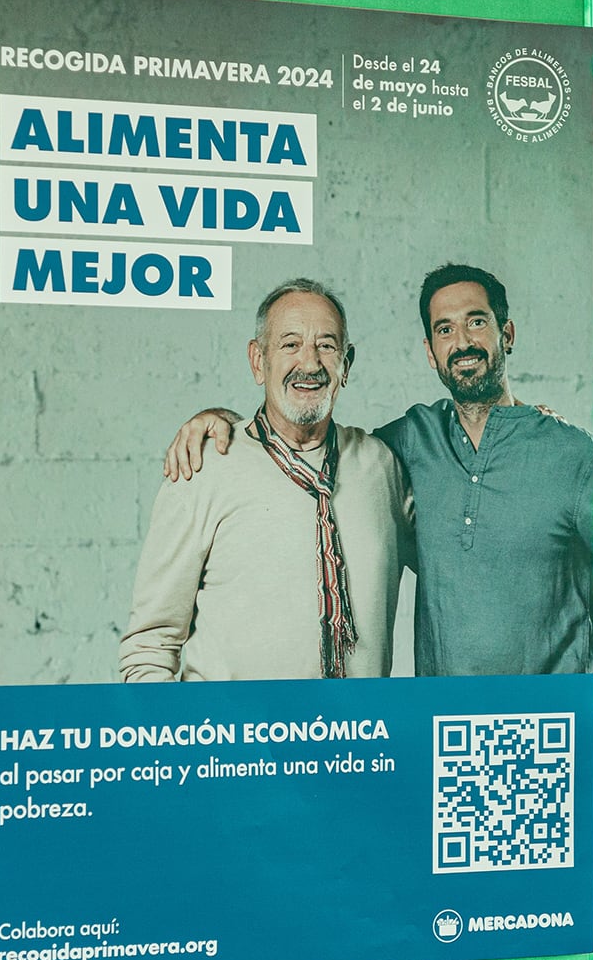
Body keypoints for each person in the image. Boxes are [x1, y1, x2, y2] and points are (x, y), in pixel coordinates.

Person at [161, 264, 593, 676]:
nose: (462, 341)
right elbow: (307, 440)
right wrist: (220, 420)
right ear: (431, 352)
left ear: (507, 334)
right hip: (444, 728)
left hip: (551, 721)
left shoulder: (572, 454)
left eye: (476, 322)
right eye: (445, 329)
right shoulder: (405, 444)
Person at [119, 279, 410, 682]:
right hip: (234, 742)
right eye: (290, 344)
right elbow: (150, 647)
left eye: (326, 345)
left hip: (357, 740)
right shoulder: (204, 465)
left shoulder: (381, 465)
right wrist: (188, 743)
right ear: (258, 361)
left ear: (347, 365)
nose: (309, 364)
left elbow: (462, 557)